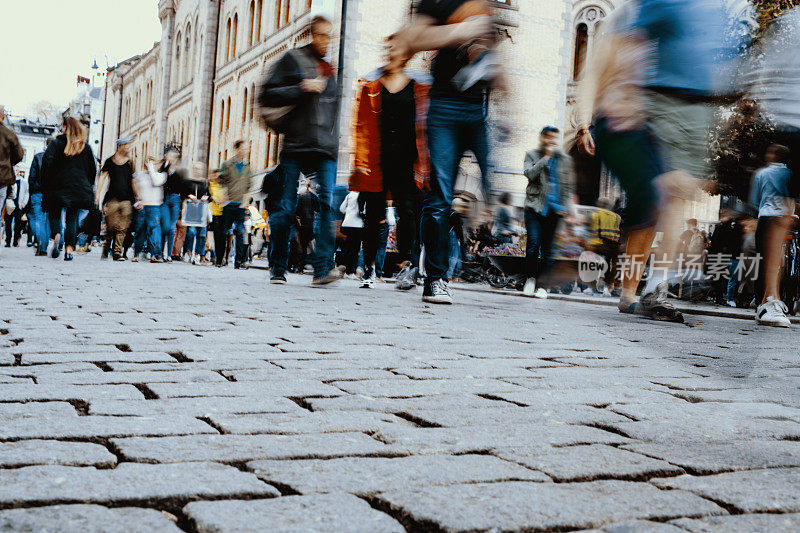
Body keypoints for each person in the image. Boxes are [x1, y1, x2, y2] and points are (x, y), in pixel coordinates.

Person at [579, 0, 745, 322]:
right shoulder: (632, 14)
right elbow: (599, 68)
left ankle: (646, 289)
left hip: (670, 109)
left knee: (661, 204)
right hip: (636, 111)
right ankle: (637, 289)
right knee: (657, 198)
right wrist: (588, 120)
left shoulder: (705, 15)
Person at [393, 0, 499, 304]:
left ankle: (496, 215)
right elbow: (415, 38)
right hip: (443, 108)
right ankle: (435, 280)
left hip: (477, 110)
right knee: (439, 199)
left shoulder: (484, 6)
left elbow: (493, 58)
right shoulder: (437, 2)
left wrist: (503, 86)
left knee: (490, 184)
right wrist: (462, 29)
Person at [260, 15, 341, 286]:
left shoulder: (330, 70)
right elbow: (267, 95)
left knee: (329, 204)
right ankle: (278, 268)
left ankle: (321, 270)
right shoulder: (293, 60)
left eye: (330, 36)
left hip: (325, 147)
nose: (326, 41)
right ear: (311, 35)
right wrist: (301, 87)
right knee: (285, 207)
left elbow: (333, 112)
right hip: (296, 144)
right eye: (321, 35)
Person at [349, 34, 431, 290]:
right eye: (388, 47)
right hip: (378, 158)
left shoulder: (420, 86)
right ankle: (370, 268)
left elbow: (426, 125)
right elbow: (361, 125)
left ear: (407, 53)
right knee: (374, 215)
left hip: (409, 159)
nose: (390, 51)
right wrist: (360, 160)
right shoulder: (372, 84)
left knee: (408, 212)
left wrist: (426, 162)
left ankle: (407, 267)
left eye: (396, 47)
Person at [522, 126, 576, 299]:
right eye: (549, 137)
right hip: (535, 206)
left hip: (555, 210)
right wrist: (545, 158)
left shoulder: (565, 159)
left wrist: (565, 208)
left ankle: (543, 286)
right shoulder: (532, 155)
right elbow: (529, 174)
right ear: (542, 138)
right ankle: (530, 279)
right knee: (532, 245)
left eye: (555, 138)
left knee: (548, 249)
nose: (552, 141)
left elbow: (568, 186)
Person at [750, 144, 795, 327]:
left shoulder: (761, 174)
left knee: (763, 260)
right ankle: (773, 299)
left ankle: (763, 301)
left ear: (771, 155)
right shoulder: (791, 174)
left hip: (766, 217)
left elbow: (754, 200)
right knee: (781, 262)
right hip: (787, 217)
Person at [41, 117, 97, 261]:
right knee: (72, 218)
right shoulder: (85, 147)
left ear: (66, 127)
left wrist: (46, 183)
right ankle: (69, 249)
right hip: (78, 188)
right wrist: (88, 184)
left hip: (57, 186)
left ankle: (57, 235)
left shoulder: (55, 144)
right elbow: (92, 170)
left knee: (54, 214)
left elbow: (47, 163)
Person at [96, 137, 136, 261]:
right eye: (127, 145)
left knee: (122, 228)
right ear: (120, 146)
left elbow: (133, 181)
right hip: (112, 199)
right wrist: (97, 195)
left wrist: (138, 197)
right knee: (111, 227)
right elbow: (102, 178)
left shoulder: (130, 162)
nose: (129, 148)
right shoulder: (110, 161)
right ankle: (107, 247)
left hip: (127, 200)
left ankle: (117, 252)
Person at [216, 140, 252, 269]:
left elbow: (248, 187)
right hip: (228, 203)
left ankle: (239, 261)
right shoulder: (227, 164)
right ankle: (219, 259)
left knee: (240, 232)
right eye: (243, 148)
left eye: (247, 149)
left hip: (240, 205)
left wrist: (246, 202)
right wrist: (224, 198)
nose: (246, 151)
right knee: (224, 232)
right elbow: (222, 182)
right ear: (237, 149)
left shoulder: (247, 166)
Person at [132, 158, 167, 263]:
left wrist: (151, 168)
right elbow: (134, 186)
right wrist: (137, 201)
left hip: (154, 206)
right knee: (140, 230)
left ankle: (156, 254)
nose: (151, 164)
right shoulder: (139, 175)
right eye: (148, 162)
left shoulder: (161, 175)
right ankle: (137, 253)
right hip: (142, 205)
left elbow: (156, 181)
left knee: (154, 230)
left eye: (153, 162)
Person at [0, 104, 25, 251]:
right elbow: (19, 154)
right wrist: (9, 163)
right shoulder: (9, 134)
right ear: (3, 116)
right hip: (2, 178)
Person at [588, 197, 622, 296]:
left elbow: (589, 230)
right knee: (609, 265)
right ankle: (607, 288)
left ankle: (592, 287)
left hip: (597, 244)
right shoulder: (617, 217)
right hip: (613, 245)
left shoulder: (595, 214)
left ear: (599, 205)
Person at [158, 149, 185, 263]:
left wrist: (183, 204)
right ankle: (160, 253)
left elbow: (183, 189)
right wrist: (166, 164)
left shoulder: (180, 172)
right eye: (169, 157)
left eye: (173, 157)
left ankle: (168, 254)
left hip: (175, 199)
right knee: (164, 226)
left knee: (171, 227)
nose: (171, 159)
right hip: (165, 199)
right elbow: (159, 177)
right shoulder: (164, 169)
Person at [183, 162, 210, 264]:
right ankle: (189, 251)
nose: (198, 171)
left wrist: (206, 197)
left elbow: (210, 195)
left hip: (202, 211)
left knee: (202, 234)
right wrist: (190, 195)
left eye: (200, 169)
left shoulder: (205, 183)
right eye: (196, 168)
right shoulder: (188, 182)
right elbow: (183, 193)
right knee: (191, 232)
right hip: (191, 211)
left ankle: (197, 255)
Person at [28, 141, 50, 256]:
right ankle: (47, 246)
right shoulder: (58, 159)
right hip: (51, 194)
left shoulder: (38, 157)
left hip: (37, 192)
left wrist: (32, 191)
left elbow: (31, 176)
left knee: (38, 219)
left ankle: (41, 245)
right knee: (47, 221)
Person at [291, 179, 319, 272]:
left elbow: (296, 210)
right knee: (307, 245)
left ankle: (298, 266)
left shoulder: (301, 197)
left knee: (301, 246)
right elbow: (318, 209)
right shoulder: (314, 197)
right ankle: (303, 266)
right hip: (310, 223)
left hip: (301, 224)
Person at [339, 191, 363, 278]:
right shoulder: (363, 195)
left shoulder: (349, 195)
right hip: (358, 225)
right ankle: (350, 271)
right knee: (355, 249)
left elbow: (341, 209)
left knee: (345, 247)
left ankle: (341, 269)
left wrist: (349, 212)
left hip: (347, 223)